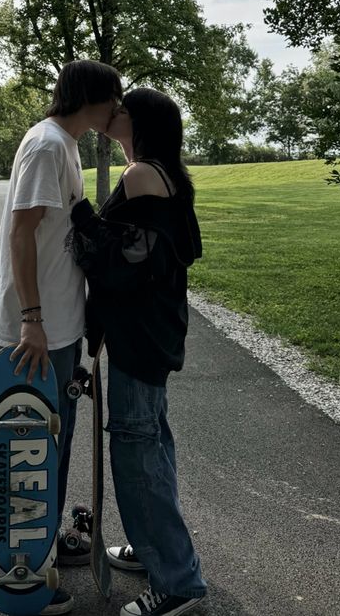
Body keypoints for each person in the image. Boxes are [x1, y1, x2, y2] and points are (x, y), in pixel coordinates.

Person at [0, 58, 123, 616]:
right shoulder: (46, 146)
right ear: (89, 98)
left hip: (62, 327)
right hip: (39, 330)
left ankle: (42, 547)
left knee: (55, 444)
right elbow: (22, 233)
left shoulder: (64, 144)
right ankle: (23, 578)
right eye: (111, 99)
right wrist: (32, 318)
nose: (116, 109)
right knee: (30, 450)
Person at [70, 87, 208, 616]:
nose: (114, 112)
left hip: (138, 336)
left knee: (137, 455)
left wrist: (82, 217)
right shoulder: (167, 173)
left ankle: (178, 582)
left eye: (123, 108)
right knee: (153, 444)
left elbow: (122, 261)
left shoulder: (141, 174)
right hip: (152, 333)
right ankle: (154, 551)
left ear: (143, 122)